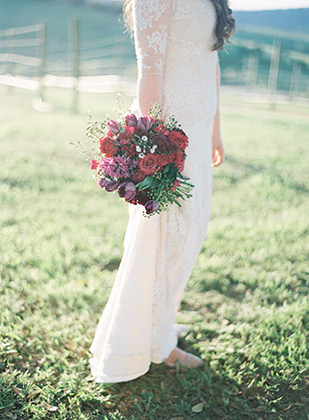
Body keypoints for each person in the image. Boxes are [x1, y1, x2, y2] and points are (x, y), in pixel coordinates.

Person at [89, 0, 236, 383]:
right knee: (165, 234)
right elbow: (149, 71)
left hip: (199, 128)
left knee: (190, 232)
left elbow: (210, 62)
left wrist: (215, 130)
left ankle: (162, 322)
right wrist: (152, 144)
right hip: (172, 133)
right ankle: (154, 344)